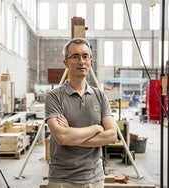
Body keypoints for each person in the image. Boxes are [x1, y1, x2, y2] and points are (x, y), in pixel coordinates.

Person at [45, 38, 117, 188]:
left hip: (95, 179)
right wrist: (96, 129)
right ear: (66, 63)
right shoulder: (54, 96)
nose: (81, 61)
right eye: (75, 56)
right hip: (62, 179)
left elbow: (111, 135)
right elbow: (62, 137)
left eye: (85, 56)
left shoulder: (100, 96)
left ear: (91, 61)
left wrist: (72, 136)